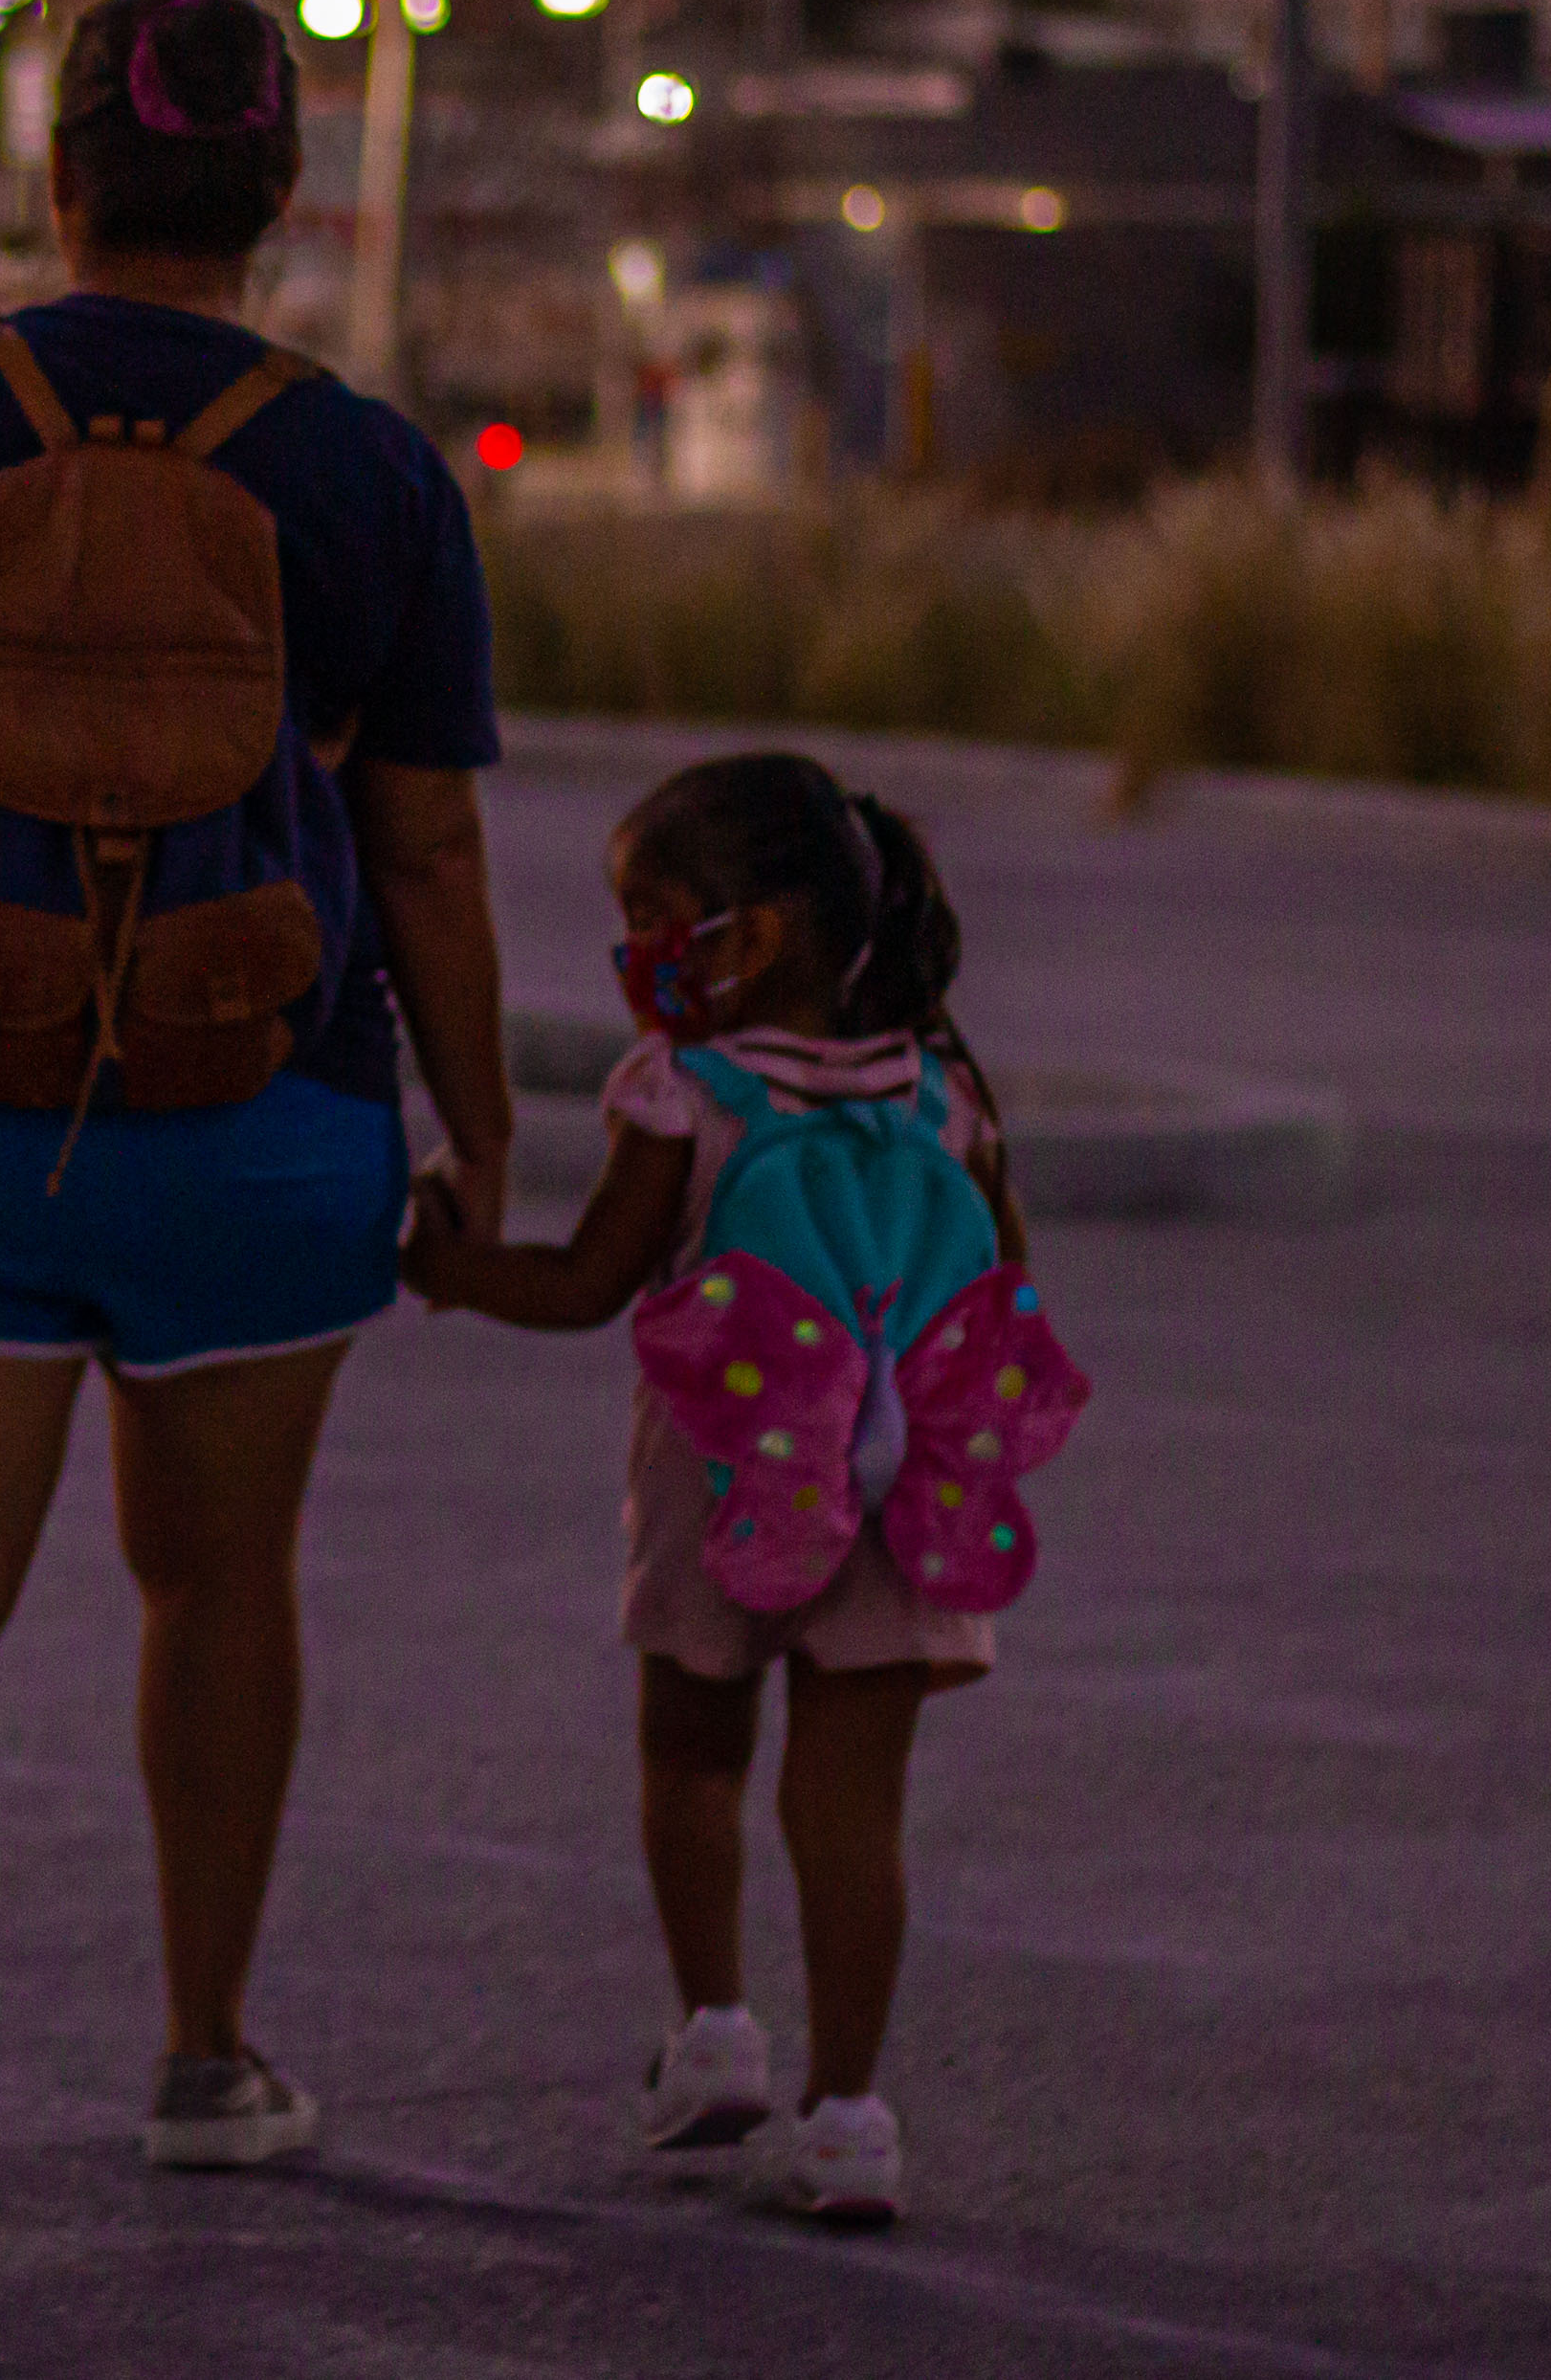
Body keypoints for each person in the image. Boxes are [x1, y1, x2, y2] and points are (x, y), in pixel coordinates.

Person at [0, 0, 514, 2240]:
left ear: (56, 174)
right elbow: (430, 848)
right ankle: (205, 2052)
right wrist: (478, 1133)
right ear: (284, 193)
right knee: (218, 1576)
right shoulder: (369, 468)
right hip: (261, 1122)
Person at [399, 750, 1037, 2231]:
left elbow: (586, 1282)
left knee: (692, 1755)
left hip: (721, 1474)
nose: (633, 956)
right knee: (852, 1809)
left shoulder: (688, 1095)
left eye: (652, 920)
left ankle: (713, 2035)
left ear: (750, 934)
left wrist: (448, 1269)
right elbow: (999, 1287)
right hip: (899, 1484)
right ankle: (850, 2115)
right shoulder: (943, 1096)